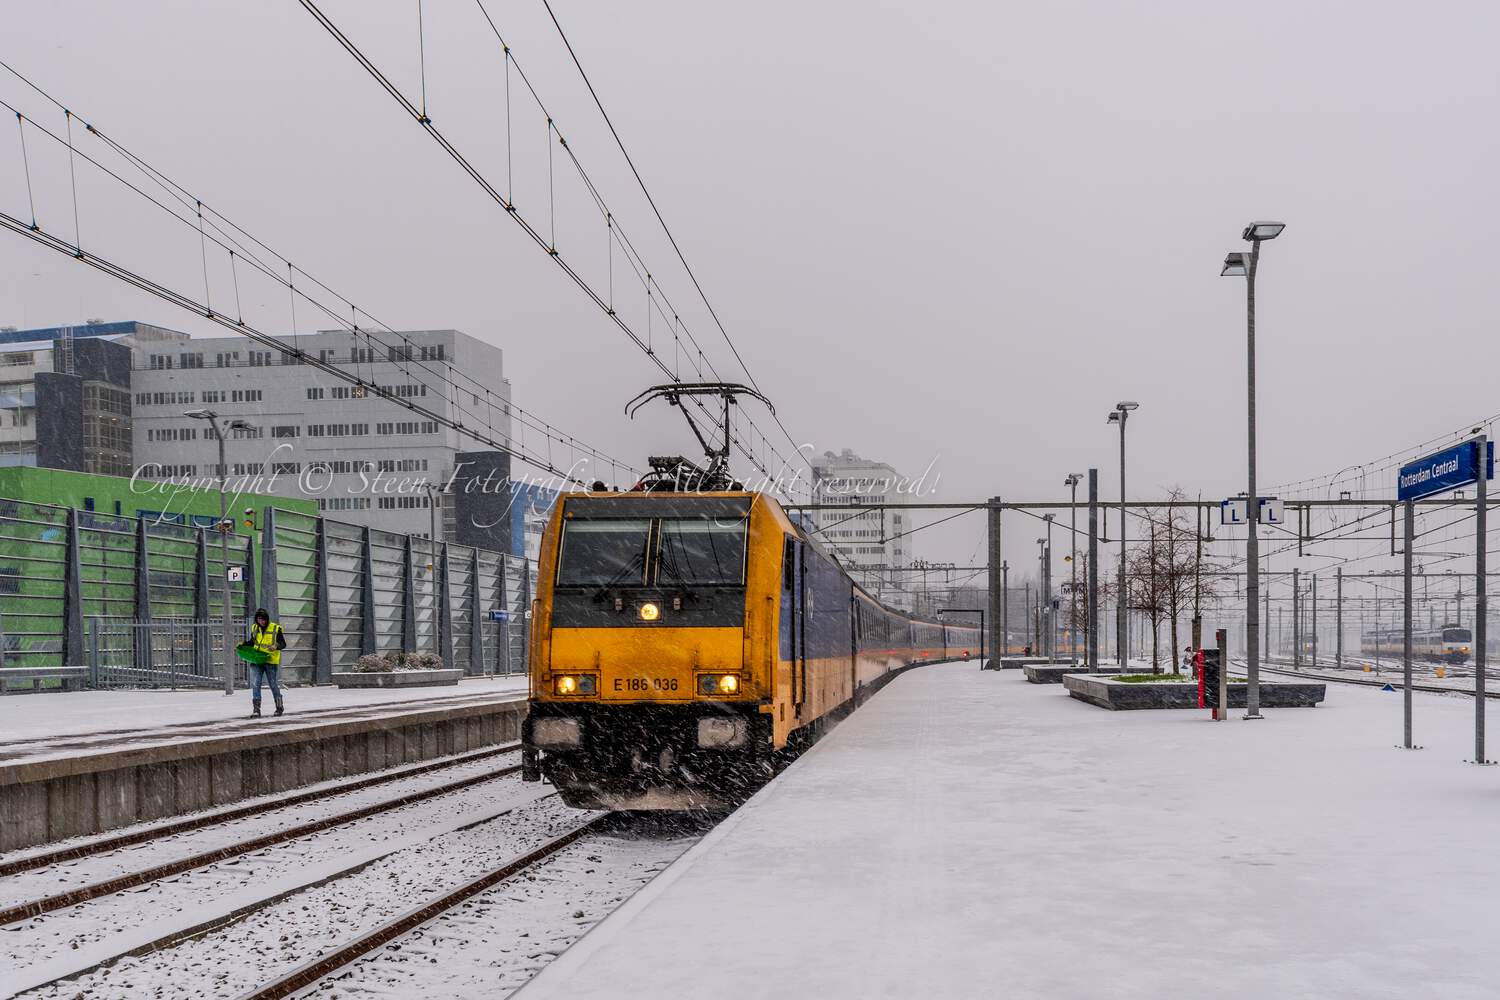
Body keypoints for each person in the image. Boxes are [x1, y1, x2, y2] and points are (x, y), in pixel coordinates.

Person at [248, 608, 287, 718]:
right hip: (257, 660)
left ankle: (279, 707)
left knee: (273, 684)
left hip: (270, 661)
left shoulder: (275, 628)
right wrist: (244, 646)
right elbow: (252, 642)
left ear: (267, 619)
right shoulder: (255, 628)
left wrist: (276, 646)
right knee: (256, 684)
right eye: (259, 619)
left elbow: (283, 644)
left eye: (263, 619)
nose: (261, 621)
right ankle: (256, 710)